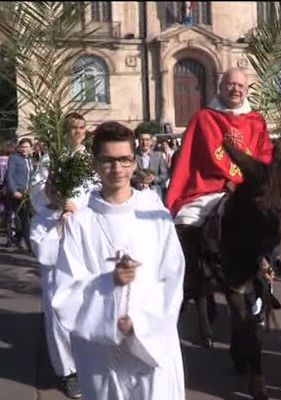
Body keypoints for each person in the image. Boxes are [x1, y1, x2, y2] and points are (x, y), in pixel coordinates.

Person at [51, 122, 185, 400]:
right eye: (108, 160)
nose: (117, 169)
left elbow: (172, 279)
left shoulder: (156, 217)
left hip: (151, 344)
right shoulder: (80, 224)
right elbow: (65, 292)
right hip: (101, 351)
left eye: (124, 160)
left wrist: (141, 323)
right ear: (95, 163)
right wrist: (108, 283)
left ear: (134, 163)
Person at [165, 67, 273, 318]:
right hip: (209, 187)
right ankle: (188, 281)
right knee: (185, 223)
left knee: (270, 224)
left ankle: (264, 283)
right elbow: (202, 155)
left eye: (240, 86)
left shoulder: (256, 121)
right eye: (230, 84)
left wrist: (250, 181)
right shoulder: (204, 118)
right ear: (220, 87)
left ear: (247, 90)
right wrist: (227, 179)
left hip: (246, 190)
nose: (235, 89)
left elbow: (263, 155)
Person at [28, 112, 94, 399]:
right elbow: (37, 194)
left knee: (88, 301)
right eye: (73, 128)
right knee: (57, 305)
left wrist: (78, 209)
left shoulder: (89, 160)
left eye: (82, 127)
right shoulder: (50, 159)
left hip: (84, 234)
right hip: (55, 231)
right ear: (64, 131)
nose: (78, 132)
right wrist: (56, 201)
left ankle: (90, 361)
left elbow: (97, 192)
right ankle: (68, 370)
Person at [5, 137, 34, 251]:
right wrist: (14, 191)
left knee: (25, 219)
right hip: (16, 193)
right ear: (19, 147)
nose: (24, 149)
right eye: (22, 147)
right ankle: (28, 246)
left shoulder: (31, 160)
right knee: (22, 219)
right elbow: (10, 175)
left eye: (27, 147)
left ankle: (18, 239)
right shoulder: (14, 158)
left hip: (27, 193)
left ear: (31, 148)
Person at [134, 127, 168, 200]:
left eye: (147, 140)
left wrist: (154, 179)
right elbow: (129, 175)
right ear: (138, 141)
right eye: (142, 140)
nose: (144, 142)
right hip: (138, 192)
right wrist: (138, 181)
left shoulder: (159, 156)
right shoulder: (133, 157)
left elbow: (165, 175)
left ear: (151, 141)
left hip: (155, 191)